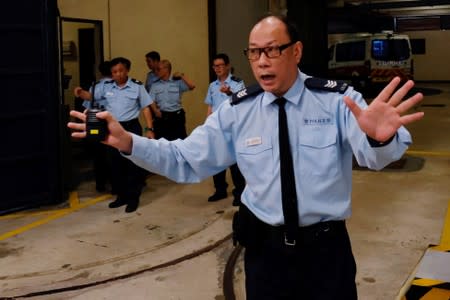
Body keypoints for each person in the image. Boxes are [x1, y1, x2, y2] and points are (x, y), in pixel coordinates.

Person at [68, 14, 424, 299]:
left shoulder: (336, 101)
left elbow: (376, 156)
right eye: (254, 52)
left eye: (272, 50)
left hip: (325, 253)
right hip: (265, 254)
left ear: (296, 51)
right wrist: (129, 142)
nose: (262, 61)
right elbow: (185, 160)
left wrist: (380, 138)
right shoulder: (237, 111)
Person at [73, 57, 155, 213]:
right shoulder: (106, 87)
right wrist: (80, 92)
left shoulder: (136, 86)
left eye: (121, 70)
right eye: (114, 72)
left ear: (127, 70)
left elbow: (145, 108)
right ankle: (121, 196)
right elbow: (91, 97)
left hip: (131, 128)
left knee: (132, 164)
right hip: (113, 128)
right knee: (115, 164)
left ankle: (133, 198)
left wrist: (150, 129)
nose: (118, 74)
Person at [204, 53, 246, 205]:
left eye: (220, 65)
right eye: (215, 66)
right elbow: (210, 105)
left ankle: (239, 193)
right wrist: (206, 125)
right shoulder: (212, 86)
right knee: (217, 161)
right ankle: (220, 190)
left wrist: (229, 92)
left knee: (234, 163)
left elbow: (241, 101)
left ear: (228, 66)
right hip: (216, 128)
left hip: (232, 127)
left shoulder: (237, 83)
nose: (217, 68)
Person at [82, 60, 112, 193]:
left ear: (100, 72)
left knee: (99, 156)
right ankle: (115, 184)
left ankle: (100, 184)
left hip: (98, 125)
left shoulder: (94, 86)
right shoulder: (116, 86)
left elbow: (87, 108)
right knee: (115, 155)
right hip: (114, 123)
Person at [149, 59, 195, 140]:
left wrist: (182, 75)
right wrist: (155, 110)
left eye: (159, 69)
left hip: (176, 117)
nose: (156, 72)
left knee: (179, 141)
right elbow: (151, 100)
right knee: (161, 142)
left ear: (166, 69)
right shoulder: (155, 85)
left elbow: (192, 86)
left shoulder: (177, 82)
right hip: (162, 117)